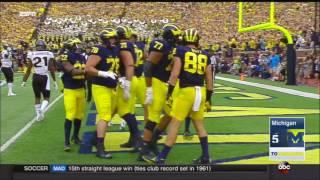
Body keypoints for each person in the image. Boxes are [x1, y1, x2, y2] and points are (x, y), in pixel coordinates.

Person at [143, 28, 214, 165]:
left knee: (174, 124)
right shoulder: (206, 55)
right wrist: (209, 99)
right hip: (201, 91)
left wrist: (169, 92)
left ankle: (161, 158)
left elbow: (174, 74)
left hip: (186, 91)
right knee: (200, 125)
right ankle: (206, 157)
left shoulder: (180, 51)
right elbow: (209, 80)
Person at [140, 23, 182, 161]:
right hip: (155, 81)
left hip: (164, 83)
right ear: (170, 36)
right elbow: (147, 66)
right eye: (176, 36)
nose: (178, 38)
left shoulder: (172, 47)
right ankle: (144, 150)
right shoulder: (161, 44)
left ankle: (152, 140)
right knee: (154, 116)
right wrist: (149, 89)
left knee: (171, 114)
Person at [85, 28, 119, 159]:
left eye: (114, 38)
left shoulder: (113, 50)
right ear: (105, 39)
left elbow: (113, 67)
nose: (114, 40)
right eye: (111, 38)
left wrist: (119, 78)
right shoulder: (99, 49)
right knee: (104, 116)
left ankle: (95, 139)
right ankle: (100, 148)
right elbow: (88, 68)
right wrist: (103, 73)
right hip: (100, 86)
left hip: (112, 87)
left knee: (111, 113)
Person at [115, 25, 142, 151]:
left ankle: (138, 139)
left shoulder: (123, 46)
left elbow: (129, 64)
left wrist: (127, 83)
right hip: (133, 78)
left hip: (128, 79)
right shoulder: (134, 45)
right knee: (130, 112)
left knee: (124, 112)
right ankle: (133, 140)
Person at [59, 38, 86, 151]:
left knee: (79, 115)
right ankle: (66, 142)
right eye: (77, 44)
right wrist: (89, 70)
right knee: (70, 114)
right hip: (70, 89)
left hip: (81, 89)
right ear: (72, 46)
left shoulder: (82, 57)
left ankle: (75, 136)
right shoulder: (65, 56)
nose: (79, 46)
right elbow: (71, 70)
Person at [21, 40, 57, 121]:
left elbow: (29, 69)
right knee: (46, 97)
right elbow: (51, 68)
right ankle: (42, 109)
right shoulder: (49, 54)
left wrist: (24, 81)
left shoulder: (31, 54)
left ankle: (38, 116)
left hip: (35, 77)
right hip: (45, 77)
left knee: (37, 97)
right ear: (44, 46)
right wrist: (54, 81)